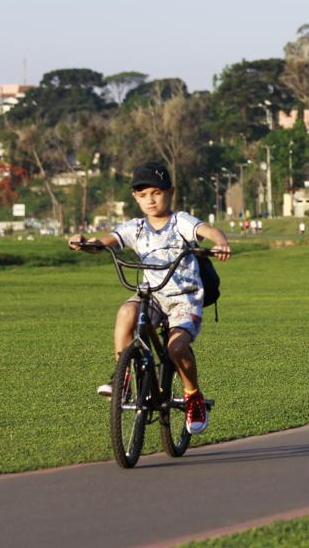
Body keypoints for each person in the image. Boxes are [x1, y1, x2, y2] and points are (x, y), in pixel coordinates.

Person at [68, 162, 231, 435]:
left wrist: (221, 242)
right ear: (135, 197)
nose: (150, 200)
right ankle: (122, 378)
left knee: (176, 348)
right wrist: (85, 242)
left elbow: (209, 231)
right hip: (152, 295)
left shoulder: (181, 222)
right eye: (142, 195)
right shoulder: (136, 228)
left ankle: (193, 396)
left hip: (184, 298)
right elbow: (106, 241)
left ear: (170, 192)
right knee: (125, 314)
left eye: (156, 192)